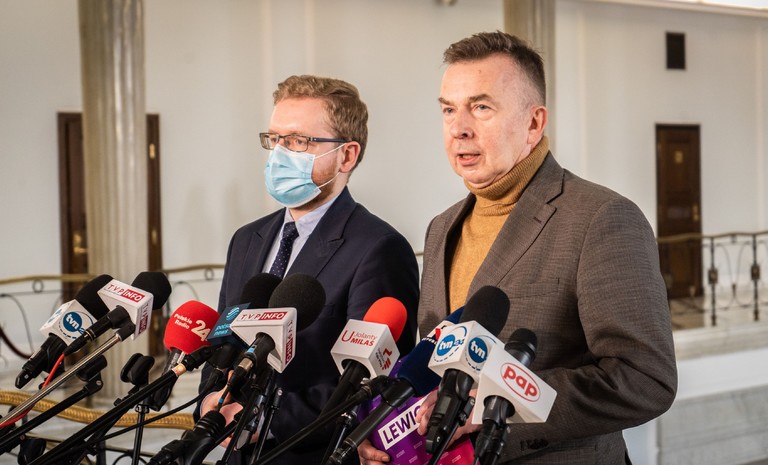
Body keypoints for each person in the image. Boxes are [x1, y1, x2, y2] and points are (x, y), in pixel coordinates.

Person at [358, 31, 677, 465]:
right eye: (449, 109)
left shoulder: (601, 218)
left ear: (533, 122)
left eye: (481, 107)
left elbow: (645, 380)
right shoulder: (441, 228)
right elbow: (433, 366)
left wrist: (496, 406)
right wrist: (385, 432)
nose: (458, 128)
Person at [199, 74, 420, 464]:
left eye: (299, 141)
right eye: (275, 138)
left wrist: (261, 419)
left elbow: (370, 380)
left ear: (347, 156)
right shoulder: (246, 239)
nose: (280, 153)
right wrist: (210, 399)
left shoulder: (379, 248)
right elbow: (224, 339)